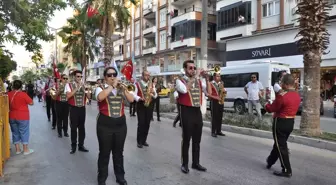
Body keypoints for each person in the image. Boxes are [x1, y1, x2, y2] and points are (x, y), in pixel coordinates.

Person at [95, 67, 134, 185]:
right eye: (109, 75)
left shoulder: (121, 89)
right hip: (104, 125)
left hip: (120, 125)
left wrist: (124, 89)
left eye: (114, 74)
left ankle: (120, 177)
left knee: (118, 153)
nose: (112, 77)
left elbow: (131, 100)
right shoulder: (99, 88)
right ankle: (102, 178)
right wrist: (112, 86)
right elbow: (100, 97)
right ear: (105, 77)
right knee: (104, 152)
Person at [264, 74, 300, 178]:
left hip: (280, 122)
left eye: (282, 82)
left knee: (281, 146)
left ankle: (286, 169)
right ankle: (270, 161)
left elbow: (271, 108)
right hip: (290, 122)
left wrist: (265, 104)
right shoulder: (296, 95)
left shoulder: (282, 96)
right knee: (279, 144)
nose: (281, 84)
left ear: (286, 84)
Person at [175, 60, 208, 174]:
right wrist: (196, 76)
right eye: (190, 68)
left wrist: (207, 79)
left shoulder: (199, 81)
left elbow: (208, 92)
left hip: (196, 111)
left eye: (194, 68)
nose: (193, 70)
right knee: (186, 139)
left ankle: (195, 163)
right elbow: (184, 90)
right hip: (186, 111)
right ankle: (184, 164)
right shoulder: (179, 81)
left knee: (197, 140)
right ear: (185, 69)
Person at [65, 70, 91, 154]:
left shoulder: (84, 85)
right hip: (73, 108)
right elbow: (68, 96)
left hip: (82, 108)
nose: (79, 78)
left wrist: (87, 89)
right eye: (78, 76)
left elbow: (89, 97)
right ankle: (73, 146)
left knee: (82, 128)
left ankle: (81, 145)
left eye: (81, 77)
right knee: (73, 128)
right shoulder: (68, 85)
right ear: (74, 77)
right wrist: (77, 87)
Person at [8, 80, 34, 155]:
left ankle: (17, 150)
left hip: (12, 115)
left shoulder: (9, 94)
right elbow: (31, 103)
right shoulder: (23, 94)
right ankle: (25, 150)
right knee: (24, 132)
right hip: (23, 116)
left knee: (15, 132)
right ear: (21, 86)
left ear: (13, 86)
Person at [133, 70, 157, 148]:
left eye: (148, 75)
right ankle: (139, 141)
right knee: (141, 123)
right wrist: (139, 98)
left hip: (149, 105)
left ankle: (144, 140)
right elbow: (133, 94)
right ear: (142, 76)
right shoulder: (137, 84)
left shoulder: (152, 84)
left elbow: (155, 95)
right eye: (146, 75)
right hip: (141, 105)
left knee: (147, 123)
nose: (148, 77)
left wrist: (153, 93)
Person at [207, 72, 226, 137]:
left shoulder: (221, 83)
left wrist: (224, 92)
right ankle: (213, 131)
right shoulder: (211, 83)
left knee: (220, 117)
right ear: (214, 77)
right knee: (214, 117)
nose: (219, 77)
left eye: (219, 76)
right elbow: (209, 94)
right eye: (218, 76)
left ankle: (218, 131)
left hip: (220, 101)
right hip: (214, 102)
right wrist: (216, 97)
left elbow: (222, 91)